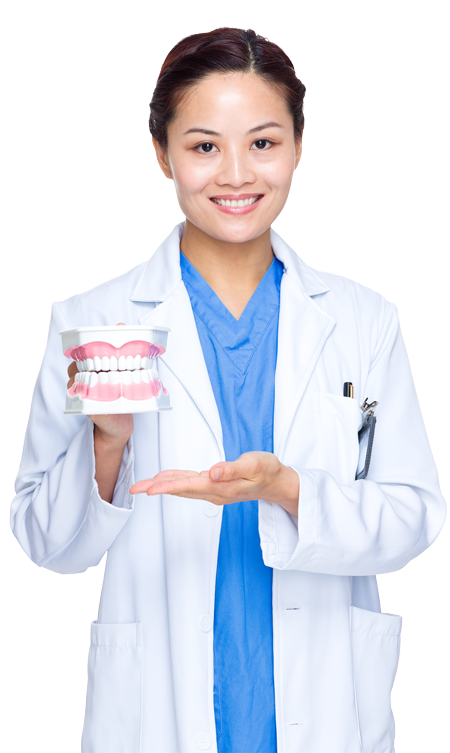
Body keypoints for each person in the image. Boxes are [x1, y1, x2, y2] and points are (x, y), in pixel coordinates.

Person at [10, 27, 446, 753]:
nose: (236, 174)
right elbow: (45, 542)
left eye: (264, 143)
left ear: (300, 146)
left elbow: (415, 514)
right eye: (204, 145)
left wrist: (289, 489)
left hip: (325, 703)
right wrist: (107, 447)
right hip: (157, 711)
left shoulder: (364, 322)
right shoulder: (96, 320)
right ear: (162, 154)